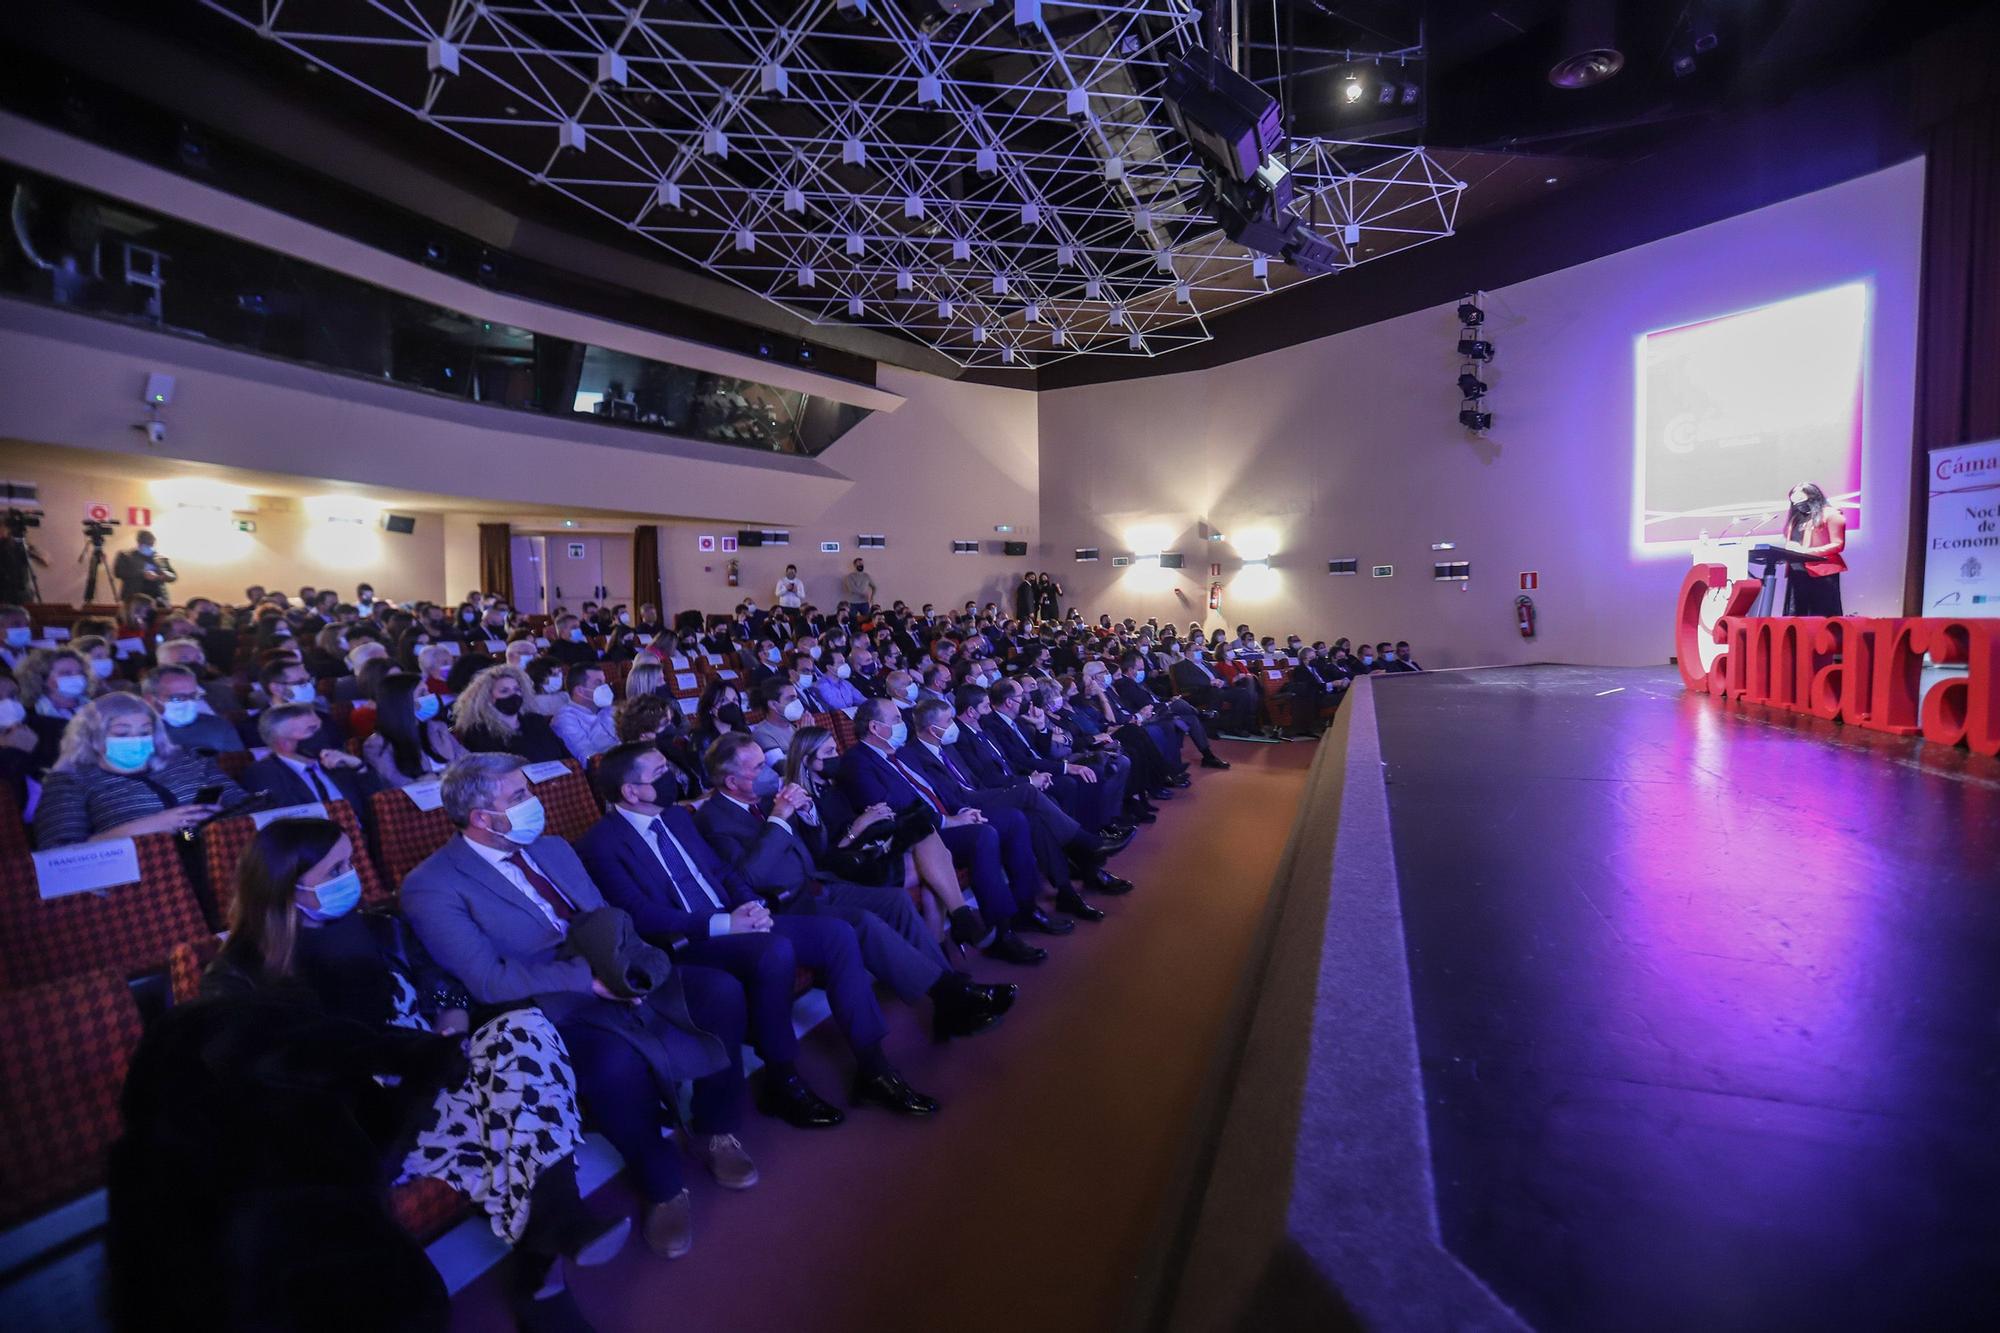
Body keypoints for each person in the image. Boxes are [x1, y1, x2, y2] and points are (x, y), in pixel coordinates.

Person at [202, 817, 624, 1328]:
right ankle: (546, 1260)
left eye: (352, 863)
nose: (351, 877)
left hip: (437, 1051)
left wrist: (450, 1016)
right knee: (517, 1110)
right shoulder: (240, 974)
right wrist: (403, 1060)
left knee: (525, 1028)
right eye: (336, 869)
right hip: (366, 1099)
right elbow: (275, 1067)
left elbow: (438, 977)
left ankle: (551, 1236)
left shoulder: (379, 923)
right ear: (287, 887)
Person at [400, 754, 757, 1262]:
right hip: (550, 1000)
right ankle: (661, 1183)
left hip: (612, 968)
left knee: (720, 992)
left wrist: (625, 968)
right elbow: (487, 978)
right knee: (614, 1063)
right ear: (481, 818)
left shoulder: (553, 848)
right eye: (519, 797)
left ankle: (717, 1129)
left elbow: (603, 918)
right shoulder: (432, 884)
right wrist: (589, 982)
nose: (533, 803)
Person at [579, 743, 967, 1125]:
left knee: (838, 935)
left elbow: (723, 874)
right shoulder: (601, 844)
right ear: (631, 791)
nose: (674, 777)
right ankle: (784, 1079)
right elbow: (641, 914)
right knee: (773, 950)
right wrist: (725, 924)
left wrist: (752, 906)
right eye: (660, 773)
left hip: (738, 917)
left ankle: (874, 1067)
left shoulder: (677, 818)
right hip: (690, 940)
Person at [694, 735, 1013, 1040]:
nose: (768, 772)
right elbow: (752, 875)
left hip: (818, 882)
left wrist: (807, 817)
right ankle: (951, 994)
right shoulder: (714, 819)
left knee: (895, 902)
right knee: (863, 923)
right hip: (786, 904)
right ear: (732, 782)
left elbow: (811, 848)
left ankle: (949, 992)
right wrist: (779, 817)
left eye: (766, 762)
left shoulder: (764, 799)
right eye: (757, 768)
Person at [33, 692, 247, 846]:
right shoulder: (70, 782)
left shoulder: (187, 760)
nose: (136, 740)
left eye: (145, 732)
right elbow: (60, 854)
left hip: (212, 852)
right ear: (93, 737)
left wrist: (222, 815)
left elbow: (242, 802)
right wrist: (155, 824)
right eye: (122, 734)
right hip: (141, 876)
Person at [242, 703, 382, 820]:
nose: (322, 734)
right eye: (311, 730)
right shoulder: (264, 775)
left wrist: (359, 766)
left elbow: (378, 805)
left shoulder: (336, 761)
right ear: (283, 743)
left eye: (320, 727)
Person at [363, 671, 469, 787]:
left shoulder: (437, 728)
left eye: (428, 691)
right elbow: (397, 784)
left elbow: (468, 761)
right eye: (422, 694)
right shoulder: (378, 745)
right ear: (403, 702)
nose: (430, 696)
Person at [454, 663, 567, 764]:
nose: (514, 695)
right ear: (488, 698)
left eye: (517, 689)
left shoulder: (535, 720)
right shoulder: (478, 732)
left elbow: (563, 754)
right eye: (504, 691)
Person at [142, 663, 244, 754]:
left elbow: (239, 767)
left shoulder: (218, 726)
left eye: (193, 696)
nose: (188, 703)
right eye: (177, 698)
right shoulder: (137, 735)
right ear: (150, 699)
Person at [1782, 481, 1847, 616]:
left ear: (1813, 497)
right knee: (1796, 613)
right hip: (1797, 571)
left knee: (1821, 613)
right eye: (1793, 501)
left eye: (1800, 499)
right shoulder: (1795, 519)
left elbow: (1838, 545)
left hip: (1821, 572)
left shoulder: (1831, 515)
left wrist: (1807, 553)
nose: (1797, 504)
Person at [549, 662, 620, 764]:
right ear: (580, 691)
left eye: (605, 682)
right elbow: (588, 758)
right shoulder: (565, 719)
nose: (605, 687)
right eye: (599, 683)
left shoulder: (608, 709)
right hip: (608, 768)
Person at [112, 529, 177, 605]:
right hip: (134, 596)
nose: (149, 547)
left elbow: (173, 576)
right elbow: (119, 573)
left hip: (158, 598)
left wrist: (164, 575)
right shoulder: (126, 556)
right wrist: (143, 574)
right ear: (139, 543)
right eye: (146, 544)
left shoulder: (161, 558)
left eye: (151, 544)